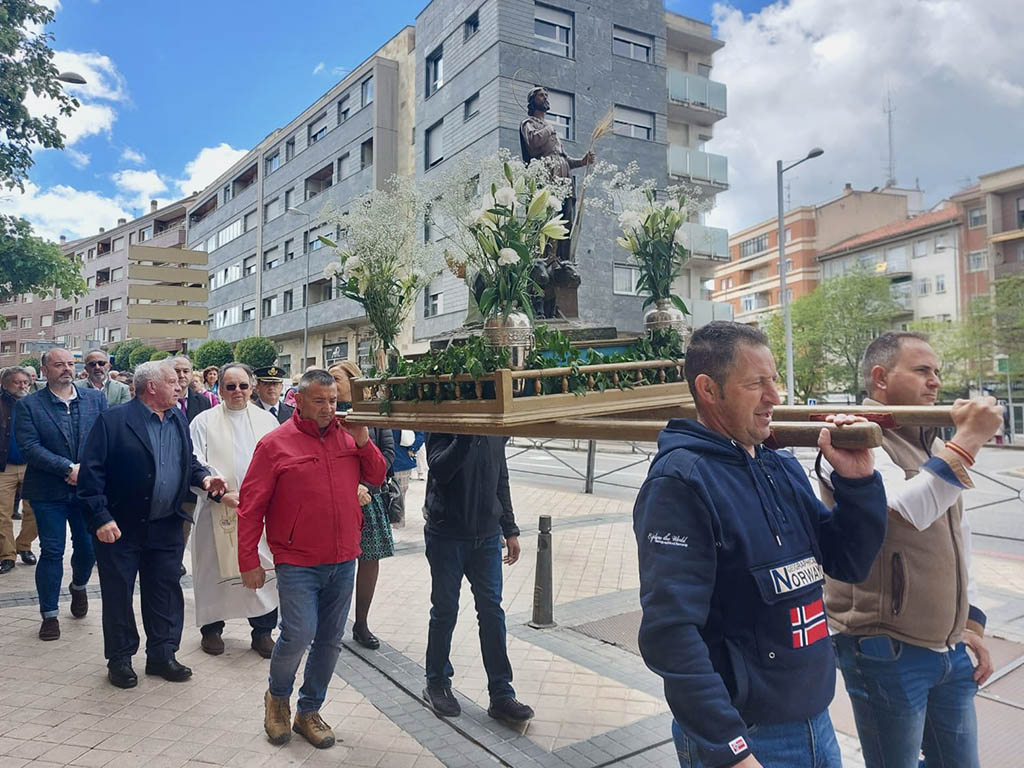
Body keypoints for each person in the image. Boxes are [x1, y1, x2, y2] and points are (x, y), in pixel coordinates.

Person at [632, 321, 887, 768]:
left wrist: (858, 482)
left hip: (817, 724)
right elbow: (669, 633)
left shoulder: (780, 467)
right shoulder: (681, 482)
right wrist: (729, 750)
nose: (774, 397)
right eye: (756, 384)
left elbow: (849, 560)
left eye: (775, 381)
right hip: (746, 739)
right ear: (709, 390)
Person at [821, 332, 1003, 768]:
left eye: (937, 372)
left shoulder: (934, 443)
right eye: (923, 370)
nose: (936, 382)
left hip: (949, 649)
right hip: (886, 649)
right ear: (881, 378)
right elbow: (904, 513)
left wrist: (972, 622)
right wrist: (970, 441)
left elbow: (960, 535)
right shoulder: (851, 436)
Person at [237, 369, 385, 749]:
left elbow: (378, 475)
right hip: (297, 559)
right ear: (298, 401)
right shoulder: (274, 444)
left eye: (333, 400)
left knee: (331, 639)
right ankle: (277, 699)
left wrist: (365, 441)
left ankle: (309, 710)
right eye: (320, 401)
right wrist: (248, 560)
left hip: (343, 556)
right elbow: (251, 508)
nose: (329, 408)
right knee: (298, 633)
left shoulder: (348, 437)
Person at [77, 360, 227, 689]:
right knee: (118, 595)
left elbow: (186, 463)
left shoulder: (176, 417)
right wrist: (101, 518)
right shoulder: (112, 421)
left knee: (165, 592)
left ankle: (161, 654)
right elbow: (90, 476)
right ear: (152, 387)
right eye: (173, 381)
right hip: (120, 527)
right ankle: (119, 659)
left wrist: (204, 480)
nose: (180, 386)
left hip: (166, 525)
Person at [422, 431, 533, 726]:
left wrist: (510, 528)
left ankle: (501, 694)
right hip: (446, 535)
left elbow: (501, 477)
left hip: (486, 536)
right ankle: (436, 682)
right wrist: (464, 437)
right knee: (445, 611)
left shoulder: (495, 429)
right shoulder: (444, 421)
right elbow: (440, 470)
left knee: (492, 613)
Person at [15, 347, 107, 640]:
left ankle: (78, 586)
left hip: (87, 490)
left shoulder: (95, 399)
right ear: (44, 371)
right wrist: (68, 468)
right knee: (52, 550)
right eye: (58, 365)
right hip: (47, 490)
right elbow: (30, 447)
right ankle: (49, 615)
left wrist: (87, 471)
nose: (66, 369)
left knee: (87, 548)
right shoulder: (29, 405)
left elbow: (104, 438)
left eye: (70, 363)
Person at [188, 363, 279, 658]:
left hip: (259, 512)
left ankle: (263, 631)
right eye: (230, 386)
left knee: (262, 566)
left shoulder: (268, 421)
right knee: (214, 569)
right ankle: (212, 630)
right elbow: (194, 461)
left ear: (252, 387)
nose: (237, 391)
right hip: (217, 509)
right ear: (220, 389)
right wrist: (220, 493)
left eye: (242, 385)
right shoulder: (203, 421)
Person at [328, 362, 393, 650]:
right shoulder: (325, 414)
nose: (331, 383)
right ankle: (329, 623)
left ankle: (362, 622)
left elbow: (387, 454)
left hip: (370, 497)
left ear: (354, 382)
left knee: (368, 562)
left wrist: (366, 485)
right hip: (336, 499)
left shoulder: (373, 411)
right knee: (333, 563)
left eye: (336, 379)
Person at [1, 367, 38, 573]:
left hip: (32, 466)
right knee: (2, 514)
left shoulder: (36, 403)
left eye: (26, 382)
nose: (23, 386)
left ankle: (24, 545)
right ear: (4, 384)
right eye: (18, 382)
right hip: (3, 467)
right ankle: (7, 555)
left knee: (35, 510)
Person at [390, 429, 425, 528]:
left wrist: (412, 449)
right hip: (386, 459)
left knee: (399, 493)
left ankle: (397, 522)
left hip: (402, 460)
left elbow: (420, 434)